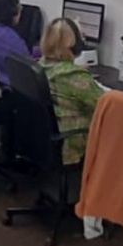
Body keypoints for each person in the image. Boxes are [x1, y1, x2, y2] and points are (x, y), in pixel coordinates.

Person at [40, 17, 103, 166]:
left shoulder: (41, 65)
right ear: (74, 46)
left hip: (45, 136)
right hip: (73, 139)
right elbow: (104, 104)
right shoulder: (73, 76)